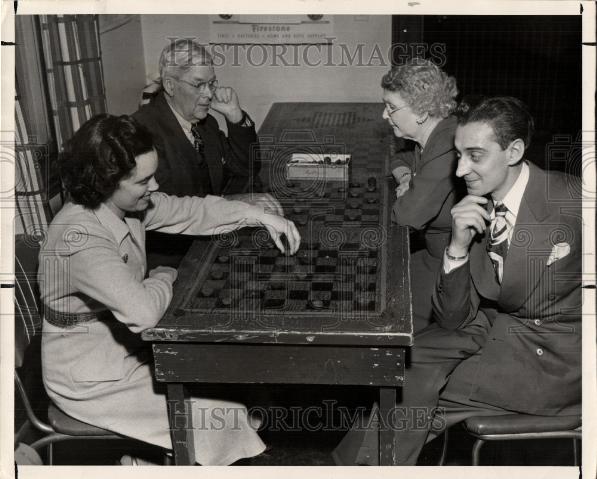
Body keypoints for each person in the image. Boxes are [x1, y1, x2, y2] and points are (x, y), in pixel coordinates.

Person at [38, 114, 300, 466]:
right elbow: (144, 313)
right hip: (89, 377)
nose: (156, 185)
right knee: (222, 412)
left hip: (121, 348)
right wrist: (163, 276)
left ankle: (166, 463)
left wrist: (260, 216)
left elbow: (193, 210)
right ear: (105, 181)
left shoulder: (123, 205)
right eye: (144, 180)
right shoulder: (80, 238)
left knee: (234, 378)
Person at [333, 96, 581, 465]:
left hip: (551, 360)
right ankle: (357, 467)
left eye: (475, 156)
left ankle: (359, 467)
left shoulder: (574, 201)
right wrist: (458, 248)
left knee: (407, 397)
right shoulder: (477, 204)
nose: (461, 170)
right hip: (491, 329)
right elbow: (453, 318)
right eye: (458, 154)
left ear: (513, 152)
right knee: (395, 365)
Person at [133, 39, 281, 268]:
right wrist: (235, 202)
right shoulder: (143, 131)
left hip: (209, 239)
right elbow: (169, 207)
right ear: (170, 86)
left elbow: (245, 169)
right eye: (198, 84)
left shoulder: (204, 123)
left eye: (212, 84)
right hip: (172, 259)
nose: (208, 94)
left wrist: (236, 117)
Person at [382, 58, 465, 331]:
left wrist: (411, 188)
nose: (385, 115)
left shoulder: (447, 146)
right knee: (380, 282)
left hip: (455, 271)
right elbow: (399, 158)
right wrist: (408, 177)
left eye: (391, 108)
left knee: (384, 306)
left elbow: (405, 217)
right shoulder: (436, 134)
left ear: (420, 111)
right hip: (433, 254)